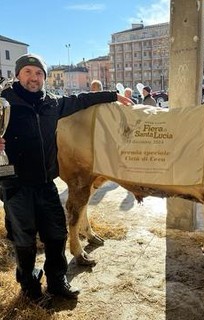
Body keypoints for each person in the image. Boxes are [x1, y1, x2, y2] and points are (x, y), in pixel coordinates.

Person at [0, 53, 132, 306]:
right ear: (17, 75)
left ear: (44, 78)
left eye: (39, 73)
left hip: (47, 183)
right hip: (16, 184)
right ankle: (30, 288)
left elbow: (80, 100)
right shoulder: (5, 103)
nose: (34, 77)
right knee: (24, 239)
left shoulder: (51, 103)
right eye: (28, 72)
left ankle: (57, 280)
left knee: (56, 234)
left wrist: (112, 96)